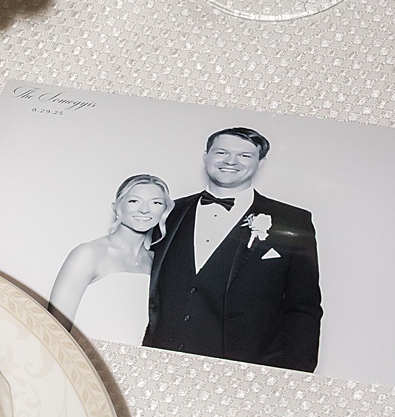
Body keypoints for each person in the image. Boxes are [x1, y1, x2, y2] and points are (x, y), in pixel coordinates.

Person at [144, 127, 322, 374]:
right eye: (221, 152)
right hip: (162, 364)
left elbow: (303, 308)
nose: (230, 161)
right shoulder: (168, 213)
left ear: (261, 163)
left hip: (247, 372)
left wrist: (295, 375)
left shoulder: (292, 221)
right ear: (205, 156)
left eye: (244, 156)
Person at [48, 174, 170, 343]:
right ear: (117, 207)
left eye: (156, 202)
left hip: (135, 364)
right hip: (86, 361)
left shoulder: (158, 263)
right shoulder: (89, 253)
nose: (144, 209)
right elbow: (54, 328)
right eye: (134, 201)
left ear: (165, 210)